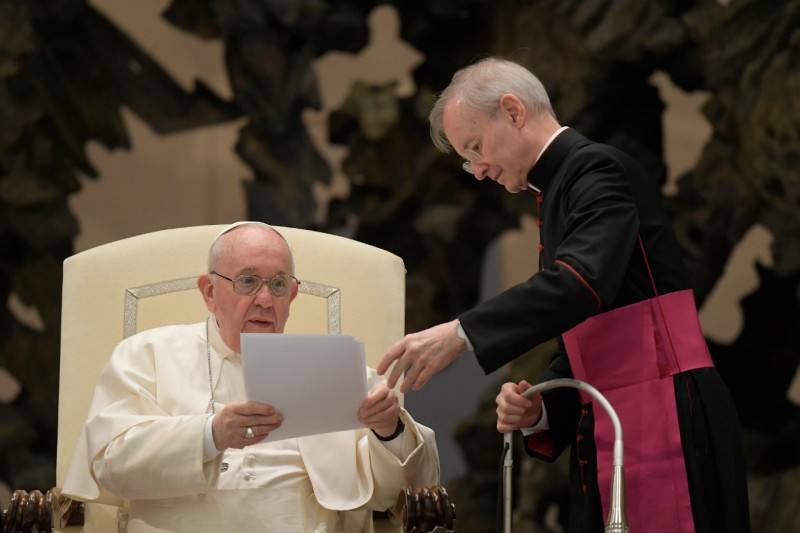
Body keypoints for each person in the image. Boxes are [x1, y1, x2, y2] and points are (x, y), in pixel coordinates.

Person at [377, 57, 749, 532]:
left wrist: (461, 333)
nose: (476, 169)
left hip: (664, 411)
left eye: (475, 147)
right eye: (467, 159)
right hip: (617, 415)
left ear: (513, 111)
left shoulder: (595, 168)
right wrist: (541, 409)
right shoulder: (559, 187)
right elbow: (588, 332)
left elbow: (581, 285)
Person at [63, 221, 440, 533]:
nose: (264, 299)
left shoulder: (334, 369)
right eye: (247, 281)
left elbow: (398, 493)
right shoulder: (146, 355)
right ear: (209, 292)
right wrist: (210, 435)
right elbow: (110, 463)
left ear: (292, 294)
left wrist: (388, 430)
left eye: (278, 285)